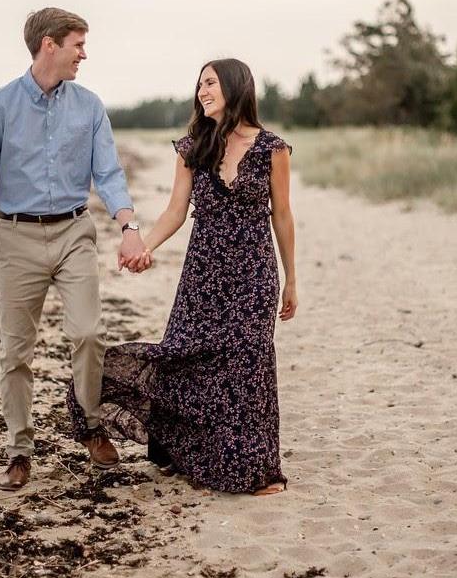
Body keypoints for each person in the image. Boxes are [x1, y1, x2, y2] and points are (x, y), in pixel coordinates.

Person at [67, 58, 296, 496]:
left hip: (253, 273)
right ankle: (179, 450)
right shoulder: (193, 146)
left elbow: (283, 217)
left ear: (234, 86)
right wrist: (144, 245)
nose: (202, 92)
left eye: (209, 83)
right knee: (185, 356)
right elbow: (176, 210)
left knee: (248, 365)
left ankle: (257, 469)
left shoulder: (273, 148)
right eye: (199, 85)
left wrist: (292, 279)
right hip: (203, 272)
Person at [0, 8, 148, 491]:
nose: (85, 53)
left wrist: (128, 227)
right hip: (16, 239)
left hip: (74, 233)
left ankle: (92, 425)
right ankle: (19, 451)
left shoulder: (89, 105)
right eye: (78, 44)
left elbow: (109, 174)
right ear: (49, 45)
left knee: (87, 333)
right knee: (16, 352)